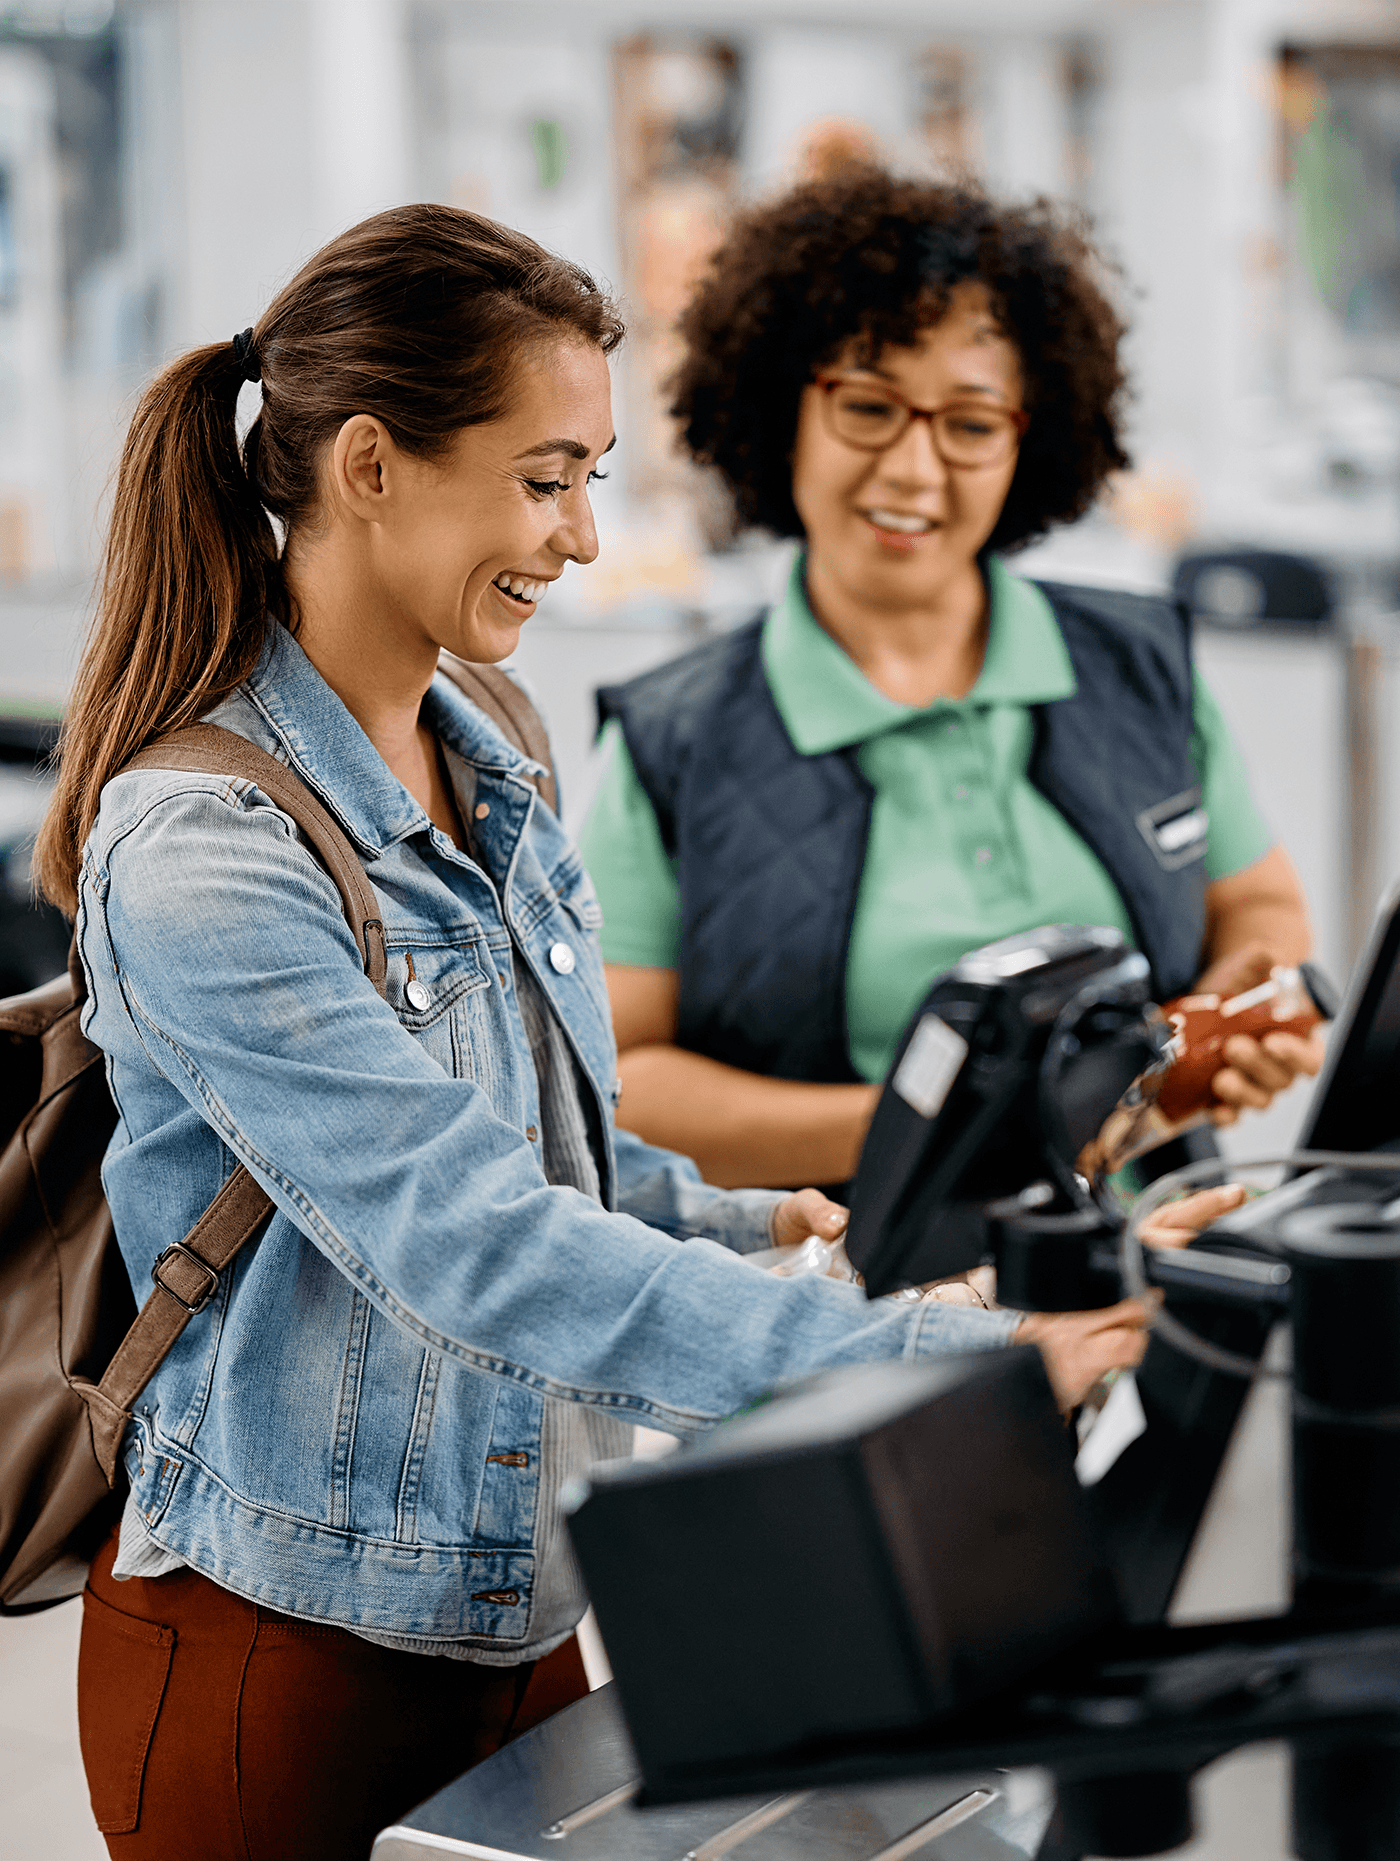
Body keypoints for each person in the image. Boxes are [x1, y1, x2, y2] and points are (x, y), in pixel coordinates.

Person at [31, 205, 1150, 1861]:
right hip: (280, 1650)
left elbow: (540, 1134)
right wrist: (925, 1361)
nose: (578, 539)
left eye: (591, 483)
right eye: (545, 478)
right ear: (370, 467)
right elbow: (468, 1237)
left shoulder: (493, 740)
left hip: (527, 1609)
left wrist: (763, 1219)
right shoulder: (203, 847)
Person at [579, 169, 1325, 1193]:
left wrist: (1236, 1015)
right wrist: (948, 1125)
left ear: (1031, 435)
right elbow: (620, 1082)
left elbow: (1260, 907)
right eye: (868, 405)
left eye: (970, 424)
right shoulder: (671, 745)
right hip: (853, 1316)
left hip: (1155, 1284)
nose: (914, 471)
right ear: (778, 406)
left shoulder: (1138, 668)